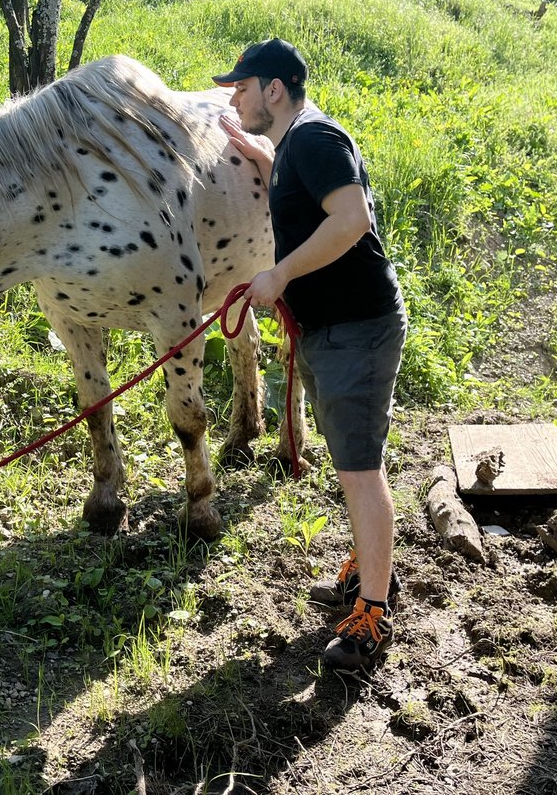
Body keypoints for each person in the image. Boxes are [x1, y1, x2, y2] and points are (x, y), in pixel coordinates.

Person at [213, 38, 407, 677]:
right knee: (354, 460)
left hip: (356, 328)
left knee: (358, 468)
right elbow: (299, 193)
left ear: (275, 89)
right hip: (335, 328)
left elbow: (350, 219)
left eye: (243, 87)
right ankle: (366, 571)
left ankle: (371, 614)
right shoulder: (298, 146)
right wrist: (264, 160)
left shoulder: (319, 140)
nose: (235, 97)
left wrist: (279, 275)